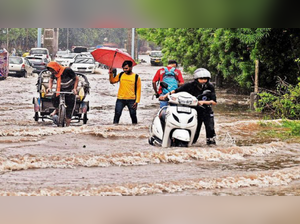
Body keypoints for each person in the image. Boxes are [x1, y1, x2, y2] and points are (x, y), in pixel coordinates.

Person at [160, 68, 217, 145]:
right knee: (195, 132)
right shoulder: (189, 85)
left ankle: (211, 146)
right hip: (194, 111)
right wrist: (165, 96)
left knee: (210, 130)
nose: (203, 80)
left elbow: (214, 102)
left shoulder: (210, 87)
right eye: (201, 79)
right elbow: (176, 91)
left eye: (205, 79)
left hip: (206, 110)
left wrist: (203, 102)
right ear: (196, 79)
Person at [46, 61, 79, 127]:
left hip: (69, 90)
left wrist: (75, 89)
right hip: (59, 89)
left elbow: (76, 78)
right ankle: (57, 109)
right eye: (51, 71)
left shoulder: (67, 70)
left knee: (70, 107)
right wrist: (49, 87)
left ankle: (67, 126)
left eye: (53, 70)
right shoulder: (54, 73)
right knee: (54, 98)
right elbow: (51, 80)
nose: (53, 72)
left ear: (56, 67)